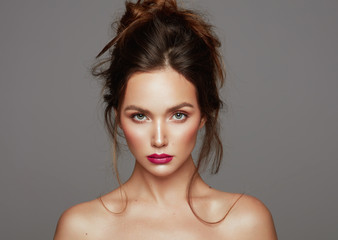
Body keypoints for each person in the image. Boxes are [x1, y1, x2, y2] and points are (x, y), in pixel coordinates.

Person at [54, 0, 277, 239]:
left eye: (178, 115)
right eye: (140, 116)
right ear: (118, 116)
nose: (159, 139)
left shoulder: (246, 223)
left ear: (204, 113)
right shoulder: (81, 228)